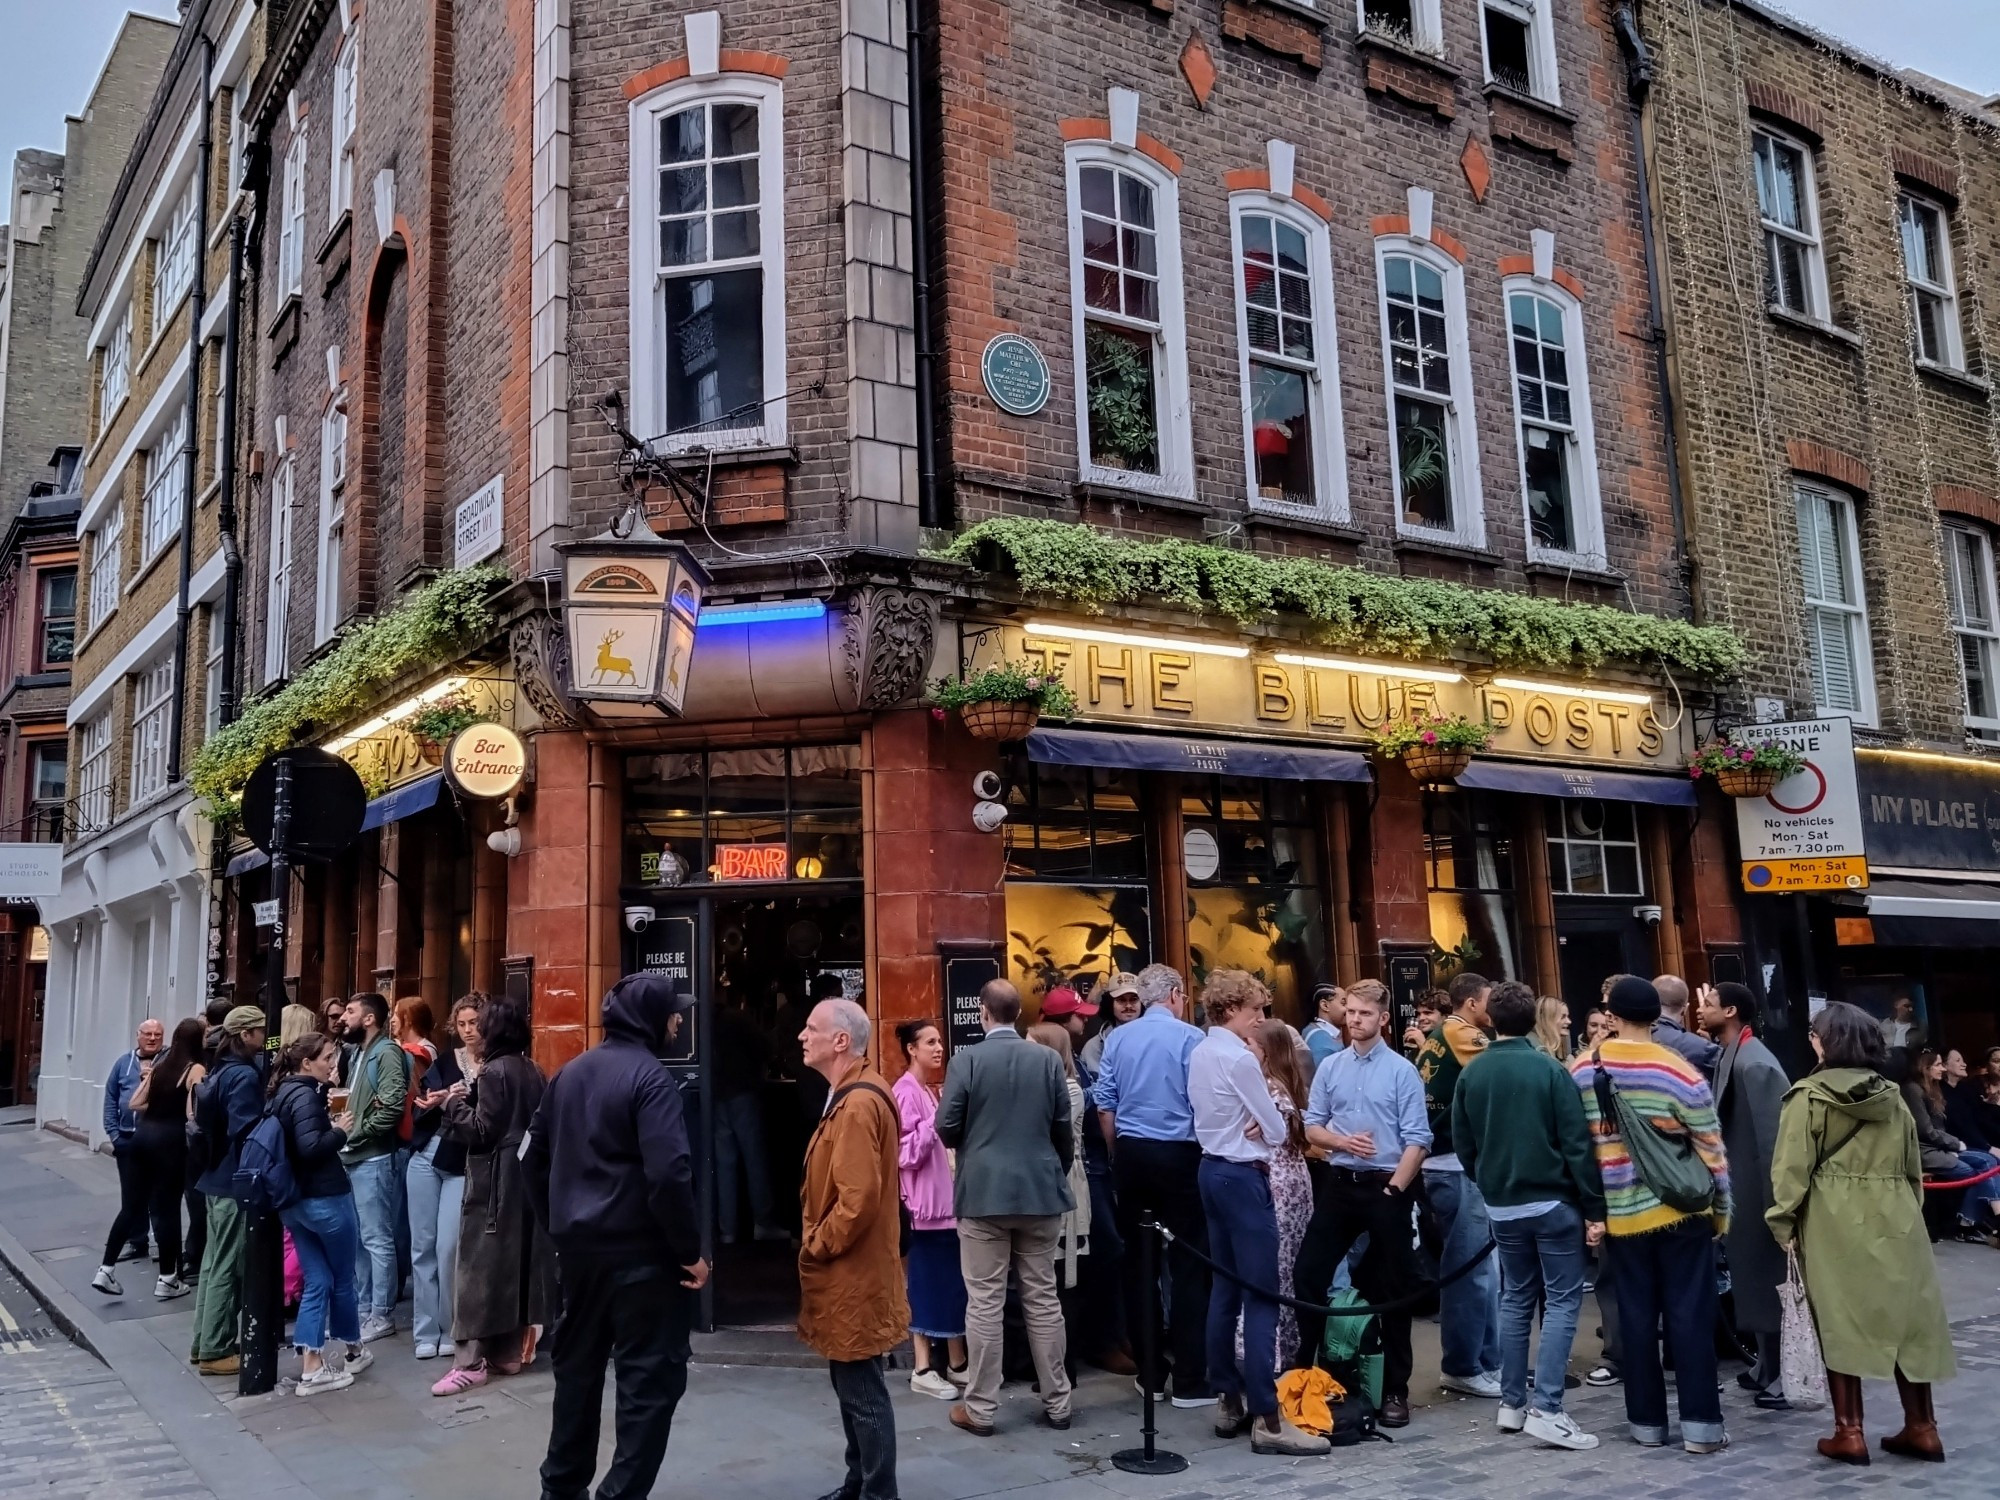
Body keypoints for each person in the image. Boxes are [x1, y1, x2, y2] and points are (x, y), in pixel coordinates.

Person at [528, 974, 707, 1500]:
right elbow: (670, 1173)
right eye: (674, 1012)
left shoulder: (570, 1073)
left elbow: (530, 1158)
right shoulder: (651, 1078)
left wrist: (556, 1223)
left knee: (577, 1376)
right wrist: (688, 1252)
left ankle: (560, 1490)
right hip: (642, 1260)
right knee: (649, 1385)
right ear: (652, 1018)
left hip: (580, 1257)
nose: (679, 1019)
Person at [1768, 1001, 1956, 1465]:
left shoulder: (1808, 1096)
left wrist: (1782, 1223)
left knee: (1839, 1317)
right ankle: (1923, 1427)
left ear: (1825, 1042)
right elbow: (1913, 1168)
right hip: (1897, 1214)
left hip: (1833, 1216)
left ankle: (1848, 1432)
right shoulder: (1893, 1097)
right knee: (1909, 1318)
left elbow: (1790, 1172)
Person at [1571, 976, 1730, 1454]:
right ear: (1657, 1017)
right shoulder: (1679, 1071)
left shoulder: (1581, 1071)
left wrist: (1591, 1213)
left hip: (1621, 1216)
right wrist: (1721, 1210)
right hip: (1682, 1211)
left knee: (1635, 1319)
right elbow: (1710, 1147)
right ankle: (1702, 1427)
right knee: (1690, 1316)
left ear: (1613, 1016)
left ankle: (1646, 1425)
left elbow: (1577, 1149)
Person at [1454, 981, 1606, 1451]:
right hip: (1551, 1200)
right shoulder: (1549, 1069)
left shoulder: (1473, 1074)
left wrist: (1487, 1179)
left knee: (1516, 1298)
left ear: (1493, 1020)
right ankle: (1548, 1408)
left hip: (1502, 1202)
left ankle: (1513, 1402)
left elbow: (1463, 1143)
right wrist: (1594, 1207)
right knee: (1561, 1303)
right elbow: (1577, 1144)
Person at [1189, 973, 1327, 1456]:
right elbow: (1276, 1131)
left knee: (1225, 1290)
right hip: (1243, 1176)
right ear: (1232, 1010)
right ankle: (1268, 1417)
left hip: (1210, 1169)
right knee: (1263, 1292)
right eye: (1255, 1009)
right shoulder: (1238, 1057)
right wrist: (1265, 1121)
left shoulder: (1201, 1051)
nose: (1261, 1018)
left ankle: (1229, 1397)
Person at [937, 979, 1074, 1436]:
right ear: (1017, 1013)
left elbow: (947, 1125)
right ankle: (1058, 1401)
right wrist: (1051, 1169)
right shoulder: (1048, 1060)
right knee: (1043, 1299)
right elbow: (1062, 1130)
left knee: (984, 1302)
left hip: (984, 1193)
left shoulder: (967, 1060)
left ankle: (980, 1408)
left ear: (982, 1012)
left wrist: (975, 1148)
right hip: (1039, 1191)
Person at [1293, 979, 1431, 1428]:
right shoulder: (1332, 1066)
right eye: (1350, 1012)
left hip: (1387, 1183)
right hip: (1340, 1181)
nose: (1355, 1020)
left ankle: (1395, 1388)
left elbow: (1418, 1140)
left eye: (1364, 1014)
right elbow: (1312, 1127)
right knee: (1309, 1272)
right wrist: (1340, 1140)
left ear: (1383, 1019)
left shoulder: (1400, 1070)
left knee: (1393, 1287)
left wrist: (1394, 1191)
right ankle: (1309, 1374)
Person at [796, 998, 906, 1500]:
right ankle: (859, 1483)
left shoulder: (857, 1102)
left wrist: (817, 1245)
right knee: (853, 1384)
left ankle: (877, 1492)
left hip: (852, 1273)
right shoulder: (853, 1092)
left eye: (811, 1028)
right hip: (855, 1272)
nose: (802, 1035)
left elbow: (857, 1201)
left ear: (841, 1041)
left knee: (861, 1389)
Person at [1091, 961, 1210, 1406]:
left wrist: (1117, 1153)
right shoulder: (1190, 1038)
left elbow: (1106, 1105)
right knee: (1189, 1263)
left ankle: (1151, 1373)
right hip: (1180, 1154)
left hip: (1133, 1152)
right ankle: (1192, 1379)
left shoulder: (1119, 1039)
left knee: (1138, 1265)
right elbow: (1203, 1103)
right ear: (1177, 994)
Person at [434, 994, 554, 1394]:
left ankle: (469, 1362)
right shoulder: (532, 1069)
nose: (475, 1031)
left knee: (477, 1268)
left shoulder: (493, 1072)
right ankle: (507, 1353)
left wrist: (451, 1104)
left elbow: (482, 1131)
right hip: (525, 1180)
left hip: (494, 1183)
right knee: (515, 1264)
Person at [1697, 981, 1790, 1401]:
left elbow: (1773, 1143)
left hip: (1759, 1196)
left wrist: (1778, 1207)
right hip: (1744, 1192)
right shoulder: (1734, 1057)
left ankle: (1782, 1371)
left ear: (1731, 1012)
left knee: (1767, 1281)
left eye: (1711, 1004)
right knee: (1754, 1280)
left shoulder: (1754, 1064)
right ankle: (1767, 1364)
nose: (1702, 1009)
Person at [1416, 970, 1502, 1400]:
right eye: (1490, 998)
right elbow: (1501, 1074)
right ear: (1472, 1002)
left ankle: (1487, 1360)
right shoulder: (1465, 1035)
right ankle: (1465, 1365)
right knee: (1470, 1270)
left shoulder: (1438, 1033)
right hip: (1455, 1166)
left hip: (1443, 1164)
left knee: (1483, 1268)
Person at [269, 1032, 368, 1397]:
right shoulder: (307, 1094)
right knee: (342, 1278)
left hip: (294, 1204)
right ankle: (352, 1351)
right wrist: (340, 1131)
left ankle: (312, 1364)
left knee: (317, 1280)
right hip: (325, 1198)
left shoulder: (282, 1093)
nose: (332, 1063)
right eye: (327, 1057)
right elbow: (310, 1148)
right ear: (307, 1063)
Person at [188, 1006, 269, 1376]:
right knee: (228, 1267)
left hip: (214, 1178)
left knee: (211, 1265)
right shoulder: (244, 1076)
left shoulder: (220, 1070)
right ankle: (217, 1350)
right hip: (234, 1181)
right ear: (246, 1035)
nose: (264, 1037)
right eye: (260, 1031)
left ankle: (203, 1342)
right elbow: (247, 1130)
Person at [891, 1018, 968, 1400]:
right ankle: (922, 1366)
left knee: (950, 1284)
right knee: (925, 1285)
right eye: (930, 1042)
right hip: (923, 1209)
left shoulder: (928, 1090)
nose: (939, 1048)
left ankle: (956, 1362)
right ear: (911, 1048)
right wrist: (932, 1126)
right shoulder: (904, 1091)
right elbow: (901, 1154)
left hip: (943, 1204)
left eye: (939, 1041)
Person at [101, 1017, 204, 1301]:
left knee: (131, 1207)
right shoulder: (194, 1069)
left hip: (141, 1138)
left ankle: (105, 1269)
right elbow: (193, 1112)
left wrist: (156, 1105)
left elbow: (135, 1103)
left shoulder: (159, 1067)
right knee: (167, 1210)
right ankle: (168, 1279)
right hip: (169, 1144)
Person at [407, 996, 477, 1361]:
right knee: (422, 1246)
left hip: (458, 1160)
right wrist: (434, 1099)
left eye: (475, 1022)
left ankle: (451, 1326)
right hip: (425, 1154)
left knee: (449, 1247)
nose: (469, 1030)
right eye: (463, 1023)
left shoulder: (494, 1066)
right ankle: (425, 1330)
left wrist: (462, 1099)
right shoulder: (447, 1061)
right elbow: (422, 1100)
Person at [338, 993, 409, 1342]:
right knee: (360, 1241)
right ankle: (365, 1308)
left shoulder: (387, 1053)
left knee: (377, 1238)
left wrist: (358, 1133)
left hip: (374, 1157)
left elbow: (393, 1105)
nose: (343, 1018)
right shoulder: (359, 1053)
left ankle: (381, 1313)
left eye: (350, 1012)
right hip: (354, 1155)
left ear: (369, 1019)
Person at [1245, 1017, 1313, 1373]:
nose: (1246, 1051)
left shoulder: (1270, 1089)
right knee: (1284, 1266)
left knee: (1277, 1267)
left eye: (1252, 1046)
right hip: (1293, 1179)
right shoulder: (1287, 1084)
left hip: (1279, 1183)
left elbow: (1267, 1131)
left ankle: (1274, 1355)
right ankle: (1285, 1350)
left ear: (1267, 1052)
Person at [94, 1018, 165, 1285]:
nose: (152, 1038)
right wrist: (113, 1134)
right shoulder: (123, 1063)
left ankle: (162, 1243)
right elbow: (111, 1098)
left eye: (157, 1034)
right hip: (127, 1140)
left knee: (158, 1196)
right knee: (131, 1197)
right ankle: (137, 1241)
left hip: (156, 1141)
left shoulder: (167, 1062)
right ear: (137, 1035)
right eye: (147, 1033)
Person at [1901, 1046, 2000, 1235]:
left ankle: (1968, 1221)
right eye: (1938, 1065)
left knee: (1987, 1164)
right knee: (1979, 1170)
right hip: (1927, 1150)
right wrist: (1955, 1144)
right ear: (1925, 1067)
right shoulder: (1912, 1090)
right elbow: (1926, 1131)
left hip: (1942, 1147)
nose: (1943, 1069)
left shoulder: (1933, 1089)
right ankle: (1984, 1218)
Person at [1026, 1023, 1092, 1290]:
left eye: (1030, 1047)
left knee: (1063, 1264)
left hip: (1064, 1179)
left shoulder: (1071, 1089)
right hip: (1037, 1181)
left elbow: (1046, 1129)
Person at [714, 990, 783, 1245]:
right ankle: (763, 1223)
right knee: (755, 1159)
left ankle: (727, 1230)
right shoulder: (737, 1018)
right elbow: (765, 1048)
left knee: (724, 1164)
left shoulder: (703, 1020)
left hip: (716, 1094)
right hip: (742, 1092)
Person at [1651, 975, 1721, 1079]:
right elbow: (1730, 1065)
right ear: (1685, 1009)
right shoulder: (1699, 1047)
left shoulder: (1629, 1035)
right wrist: (1716, 1030)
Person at [1077, 972, 1140, 1082]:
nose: (1128, 1005)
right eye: (1121, 1000)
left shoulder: (1155, 1039)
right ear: (1110, 1004)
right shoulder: (1094, 1047)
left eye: (1134, 999)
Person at [1302, 983, 1346, 1067]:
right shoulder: (1319, 1039)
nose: (1349, 1008)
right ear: (1325, 1005)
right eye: (1343, 1003)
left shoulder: (1322, 1033)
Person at [1403, 989, 1447, 1058]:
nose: (1421, 1018)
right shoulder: (1420, 1040)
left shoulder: (1452, 1040)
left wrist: (1423, 1045)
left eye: (1427, 1013)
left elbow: (1443, 1066)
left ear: (1445, 1016)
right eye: (1418, 1014)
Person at [1533, 996, 1572, 1062]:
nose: (1569, 1021)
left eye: (1567, 1016)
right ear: (1547, 1019)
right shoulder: (1537, 1050)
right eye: (1563, 1017)